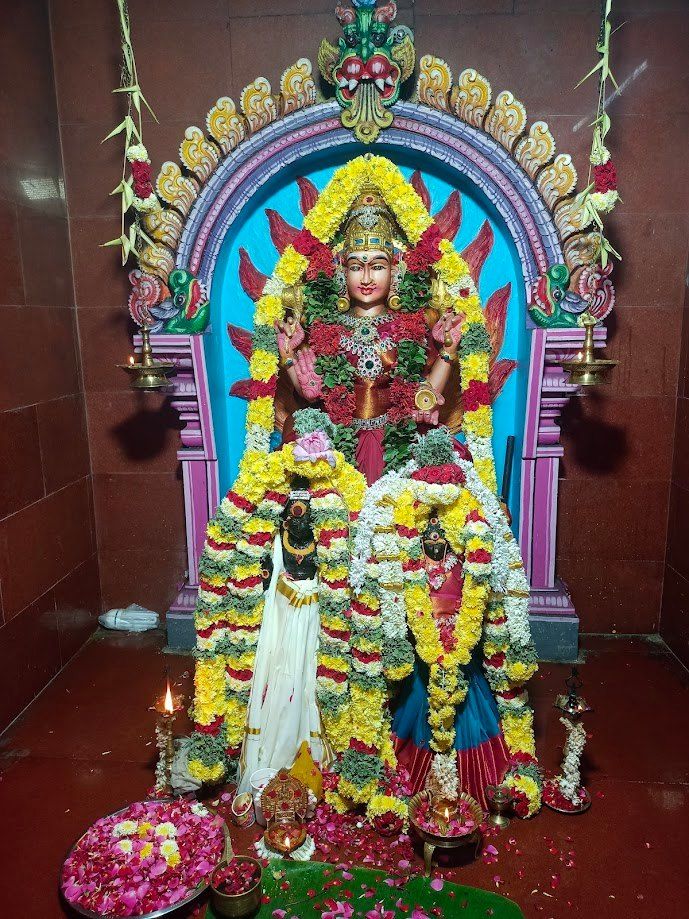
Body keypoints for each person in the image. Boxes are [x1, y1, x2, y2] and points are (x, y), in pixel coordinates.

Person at [275, 185, 463, 484]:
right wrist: (288, 359)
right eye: (355, 267)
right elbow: (312, 389)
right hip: (339, 439)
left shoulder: (409, 326)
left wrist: (448, 351)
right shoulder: (326, 327)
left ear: (395, 272)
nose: (366, 278)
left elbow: (423, 396)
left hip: (397, 439)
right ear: (341, 274)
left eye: (377, 266)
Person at [391, 513, 509, 809]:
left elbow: (474, 604)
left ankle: (464, 780)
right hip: (425, 652)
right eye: (429, 535)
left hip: (459, 650)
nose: (435, 540)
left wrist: (456, 639)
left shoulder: (464, 564)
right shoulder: (412, 565)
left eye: (440, 535)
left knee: (465, 704)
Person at [237, 477, 328, 794]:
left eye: (306, 513)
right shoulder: (277, 542)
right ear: (286, 516)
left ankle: (308, 748)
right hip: (285, 614)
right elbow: (270, 579)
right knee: (282, 676)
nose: (300, 520)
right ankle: (278, 748)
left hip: (312, 618)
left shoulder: (326, 540)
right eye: (294, 512)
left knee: (309, 676)